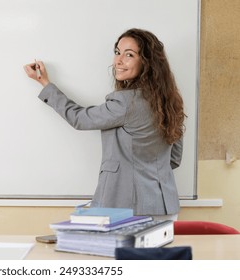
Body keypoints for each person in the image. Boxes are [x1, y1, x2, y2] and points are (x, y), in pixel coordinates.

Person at [23, 28, 185, 220]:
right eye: (117, 52)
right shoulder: (171, 102)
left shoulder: (125, 103)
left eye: (129, 55)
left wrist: (45, 84)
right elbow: (174, 159)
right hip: (165, 207)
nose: (118, 60)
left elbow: (80, 118)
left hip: (130, 209)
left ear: (147, 63)